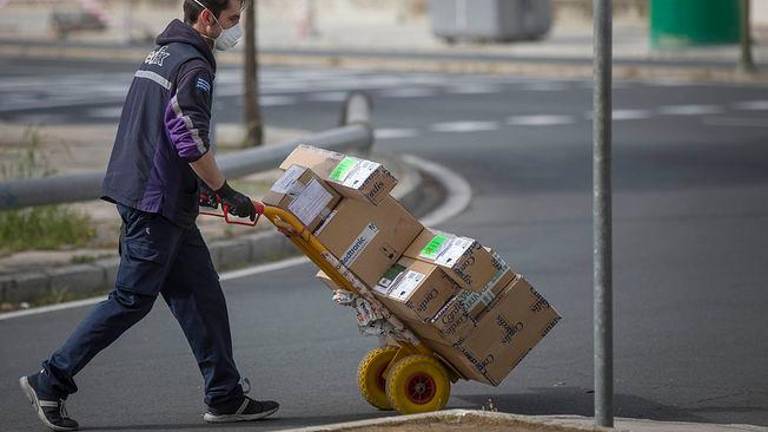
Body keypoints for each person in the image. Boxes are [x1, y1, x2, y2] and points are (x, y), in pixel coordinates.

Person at [18, 1, 279, 430]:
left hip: (160, 196)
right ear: (207, 18)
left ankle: (225, 395)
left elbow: (158, 129)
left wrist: (196, 189)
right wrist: (224, 191)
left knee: (202, 296)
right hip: (153, 201)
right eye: (232, 19)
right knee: (131, 300)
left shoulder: (163, 53)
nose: (237, 28)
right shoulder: (193, 65)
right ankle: (50, 380)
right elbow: (188, 137)